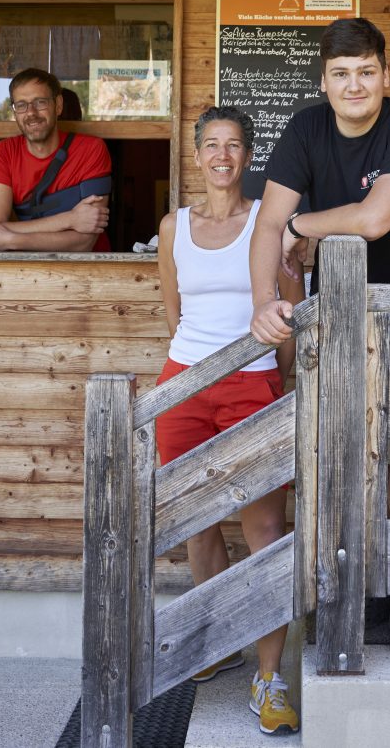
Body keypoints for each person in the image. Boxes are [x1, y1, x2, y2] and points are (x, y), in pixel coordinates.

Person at [248, 17, 390, 654]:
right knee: (333, 447)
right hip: (331, 313)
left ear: (385, 74)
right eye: (340, 74)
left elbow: (374, 218)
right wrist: (263, 304)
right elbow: (264, 225)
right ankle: (344, 588)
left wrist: (300, 227)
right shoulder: (306, 125)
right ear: (324, 81)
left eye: (366, 71)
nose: (354, 84)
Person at [156, 107, 303, 736]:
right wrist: (194, 372)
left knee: (266, 529)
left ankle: (269, 676)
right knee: (196, 523)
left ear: (249, 156)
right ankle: (215, 642)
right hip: (185, 384)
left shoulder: (269, 226)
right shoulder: (173, 227)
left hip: (254, 381)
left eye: (234, 145)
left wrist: (269, 371)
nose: (223, 155)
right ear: (197, 155)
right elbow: (174, 308)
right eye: (212, 145)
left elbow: (292, 314)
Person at [0, 67, 112, 253]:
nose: (31, 113)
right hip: (27, 273)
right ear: (14, 112)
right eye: (21, 105)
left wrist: (10, 239)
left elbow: (83, 242)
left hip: (89, 272)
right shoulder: (4, 152)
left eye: (40, 102)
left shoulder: (91, 149)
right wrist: (70, 219)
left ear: (58, 105)